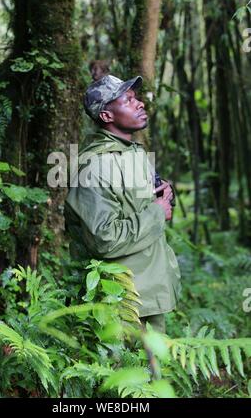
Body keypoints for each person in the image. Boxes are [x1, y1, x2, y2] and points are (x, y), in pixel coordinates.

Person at [64, 74, 181, 333]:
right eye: (128, 100)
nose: (139, 103)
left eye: (136, 97)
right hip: (122, 301)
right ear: (107, 116)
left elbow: (138, 206)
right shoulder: (96, 167)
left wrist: (162, 196)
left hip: (148, 291)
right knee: (126, 372)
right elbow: (105, 239)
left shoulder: (132, 152)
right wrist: (156, 212)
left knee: (155, 372)